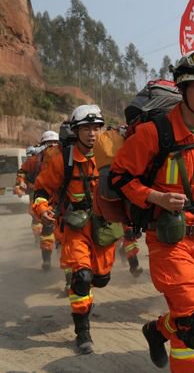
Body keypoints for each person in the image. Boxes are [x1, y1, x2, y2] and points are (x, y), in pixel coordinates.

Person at [110, 48, 194, 373]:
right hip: (168, 241)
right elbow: (121, 177)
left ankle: (156, 330)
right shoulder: (155, 133)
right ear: (183, 87)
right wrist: (155, 197)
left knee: (189, 324)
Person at [33, 105, 111, 354]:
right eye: (86, 128)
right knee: (81, 278)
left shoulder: (110, 156)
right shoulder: (61, 160)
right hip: (75, 228)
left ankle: (86, 296)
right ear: (76, 131)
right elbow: (42, 190)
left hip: (104, 228)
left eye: (97, 128)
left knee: (101, 278)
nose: (92, 133)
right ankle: (83, 332)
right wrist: (42, 208)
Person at [15, 130, 59, 269]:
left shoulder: (65, 158)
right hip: (42, 198)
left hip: (62, 198)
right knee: (46, 230)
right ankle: (46, 260)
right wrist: (21, 182)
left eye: (54, 142)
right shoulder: (36, 160)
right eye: (48, 143)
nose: (52, 145)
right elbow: (22, 172)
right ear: (42, 144)